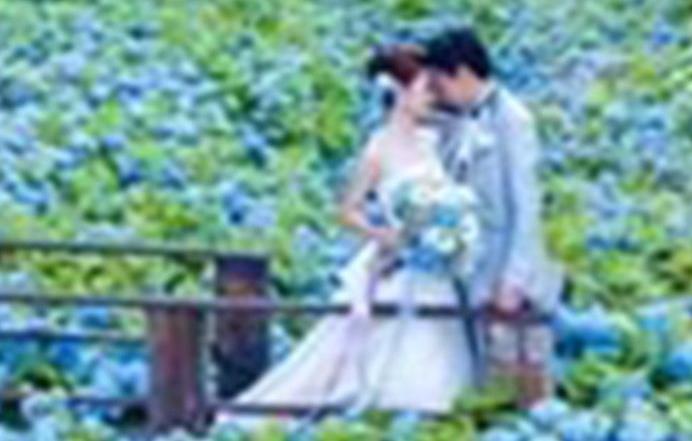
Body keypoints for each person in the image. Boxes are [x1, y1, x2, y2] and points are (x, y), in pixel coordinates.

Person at [229, 46, 477, 418]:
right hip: (399, 262)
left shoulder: (433, 141)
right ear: (399, 93)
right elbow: (347, 211)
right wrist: (384, 235)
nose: (433, 97)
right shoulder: (378, 149)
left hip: (435, 265)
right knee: (374, 358)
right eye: (425, 89)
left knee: (438, 353)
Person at [422, 27, 561, 408]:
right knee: (481, 374)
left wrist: (514, 278)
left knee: (520, 373)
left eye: (439, 82)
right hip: (471, 267)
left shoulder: (513, 119)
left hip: (505, 271)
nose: (436, 92)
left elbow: (526, 206)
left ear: (462, 73)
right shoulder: (455, 120)